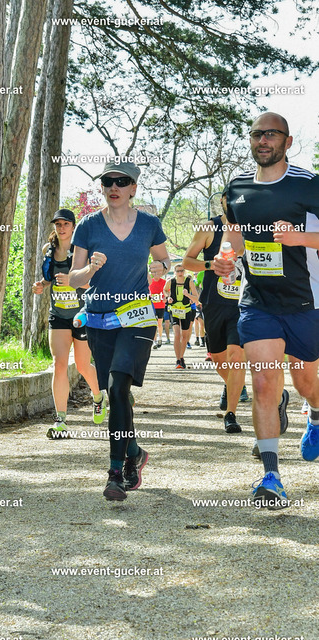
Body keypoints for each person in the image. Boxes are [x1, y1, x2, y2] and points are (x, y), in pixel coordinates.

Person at [213, 112, 319, 508]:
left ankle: (315, 413)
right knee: (263, 384)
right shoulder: (237, 187)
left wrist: (299, 237)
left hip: (306, 302)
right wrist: (226, 258)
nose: (263, 140)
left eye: (271, 134)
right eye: (257, 134)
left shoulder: (308, 185)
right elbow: (234, 236)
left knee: (306, 382)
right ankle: (271, 477)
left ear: (287, 142)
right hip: (258, 303)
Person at [69, 161, 170, 501]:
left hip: (138, 317)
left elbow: (165, 261)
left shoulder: (149, 224)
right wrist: (90, 269)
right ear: (102, 187)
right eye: (108, 181)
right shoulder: (88, 225)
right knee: (117, 395)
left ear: (133, 188)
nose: (114, 187)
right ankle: (135, 452)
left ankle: (114, 473)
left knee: (117, 386)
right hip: (100, 320)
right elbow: (74, 278)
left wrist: (161, 268)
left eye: (122, 181)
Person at [32, 209, 106, 438]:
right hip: (58, 315)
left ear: (73, 226)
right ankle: (60, 420)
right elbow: (50, 278)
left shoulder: (82, 251)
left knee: (82, 366)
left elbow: (94, 285)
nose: (61, 228)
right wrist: (41, 285)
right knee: (59, 364)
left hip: (82, 315)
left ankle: (98, 396)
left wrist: (73, 282)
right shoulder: (48, 250)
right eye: (58, 224)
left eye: (66, 224)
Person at [183, 187, 250, 433]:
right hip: (213, 303)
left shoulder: (253, 227)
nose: (233, 202)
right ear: (222, 201)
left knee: (236, 356)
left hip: (243, 304)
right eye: (228, 198)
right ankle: (234, 384)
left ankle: (230, 414)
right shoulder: (208, 228)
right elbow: (186, 261)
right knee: (220, 359)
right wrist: (211, 264)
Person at [163, 263, 198, 370]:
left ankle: (182, 357)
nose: (180, 273)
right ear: (175, 272)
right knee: (177, 334)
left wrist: (187, 295)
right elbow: (165, 290)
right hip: (174, 310)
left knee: (184, 336)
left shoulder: (189, 281)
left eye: (182, 271)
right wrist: (168, 297)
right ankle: (177, 359)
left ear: (185, 271)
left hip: (186, 311)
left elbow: (196, 297)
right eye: (178, 271)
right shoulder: (171, 281)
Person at [148, 270, 166, 349]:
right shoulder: (149, 282)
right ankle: (154, 341)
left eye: (158, 273)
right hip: (152, 306)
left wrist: (166, 297)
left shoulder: (164, 282)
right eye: (154, 273)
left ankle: (160, 338)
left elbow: (167, 291)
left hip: (161, 305)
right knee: (154, 323)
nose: (156, 275)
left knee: (159, 323)